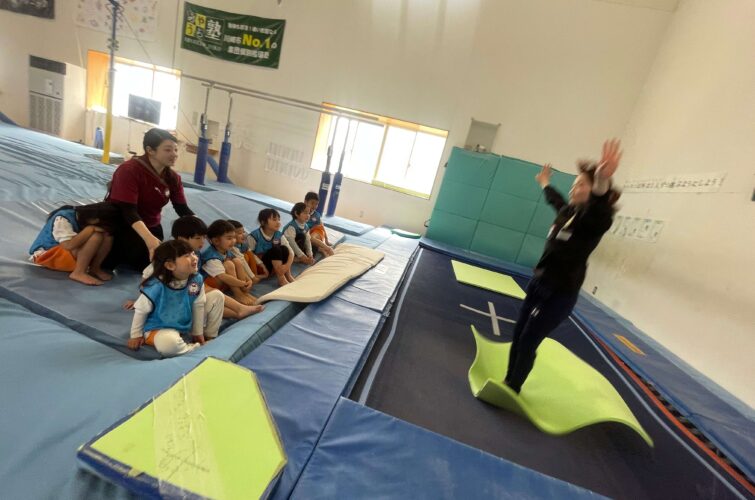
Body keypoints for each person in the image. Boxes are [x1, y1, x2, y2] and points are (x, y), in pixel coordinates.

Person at [504, 139, 623, 394]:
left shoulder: (593, 221)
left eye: (581, 184)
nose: (573, 188)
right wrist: (544, 182)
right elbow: (555, 199)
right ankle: (507, 379)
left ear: (594, 191)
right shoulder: (568, 211)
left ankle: (514, 386)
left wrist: (602, 180)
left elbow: (599, 208)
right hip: (539, 283)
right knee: (519, 333)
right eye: (574, 184)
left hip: (559, 294)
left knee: (529, 339)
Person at [123, 215, 263, 319]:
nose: (202, 242)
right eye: (197, 238)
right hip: (172, 295)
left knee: (208, 298)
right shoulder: (169, 254)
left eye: (203, 237)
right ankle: (238, 311)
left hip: (188, 289)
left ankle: (238, 311)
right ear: (181, 239)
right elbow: (148, 275)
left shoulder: (194, 252)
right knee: (202, 300)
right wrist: (141, 299)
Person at [104, 128, 194, 271]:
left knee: (158, 263)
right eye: (168, 150)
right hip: (124, 225)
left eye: (176, 150)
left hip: (152, 226)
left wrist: (203, 229)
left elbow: (181, 207)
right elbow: (128, 211)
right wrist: (148, 238)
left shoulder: (173, 178)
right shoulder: (129, 170)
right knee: (120, 262)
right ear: (150, 150)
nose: (174, 154)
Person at [127, 240, 223, 357]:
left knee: (217, 296)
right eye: (187, 256)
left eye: (193, 253)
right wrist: (135, 335)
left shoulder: (196, 279)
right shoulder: (156, 285)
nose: (194, 258)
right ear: (170, 265)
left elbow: (198, 305)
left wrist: (198, 333)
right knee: (168, 343)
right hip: (161, 327)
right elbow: (141, 310)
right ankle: (194, 348)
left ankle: (210, 337)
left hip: (185, 320)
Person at [29, 202, 120, 286]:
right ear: (95, 220)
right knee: (96, 236)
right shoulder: (63, 218)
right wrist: (90, 229)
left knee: (108, 236)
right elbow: (68, 245)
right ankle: (79, 272)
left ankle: (94, 268)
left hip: (68, 251)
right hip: (47, 254)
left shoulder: (85, 218)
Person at [200, 220, 256, 305]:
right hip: (210, 285)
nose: (233, 241)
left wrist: (248, 280)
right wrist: (242, 283)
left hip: (226, 283)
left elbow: (239, 266)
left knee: (237, 261)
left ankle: (244, 292)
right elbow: (223, 277)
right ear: (216, 241)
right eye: (229, 238)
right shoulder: (211, 257)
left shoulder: (226, 250)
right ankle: (238, 294)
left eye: (234, 237)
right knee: (229, 264)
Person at [248, 208, 295, 286]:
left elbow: (291, 251)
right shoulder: (254, 236)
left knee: (285, 249)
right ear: (263, 222)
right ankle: (281, 279)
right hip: (262, 268)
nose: (278, 222)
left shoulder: (278, 234)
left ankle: (288, 275)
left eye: (279, 220)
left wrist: (286, 266)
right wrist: (262, 265)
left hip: (276, 267)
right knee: (275, 249)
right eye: (274, 220)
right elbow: (250, 254)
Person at [304, 192, 334, 257]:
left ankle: (328, 249)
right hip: (307, 234)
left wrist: (326, 240)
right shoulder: (301, 213)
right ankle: (321, 249)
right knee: (306, 241)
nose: (314, 206)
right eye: (312, 203)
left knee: (311, 238)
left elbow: (322, 226)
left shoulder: (316, 215)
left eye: (316, 204)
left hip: (317, 232)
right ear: (305, 202)